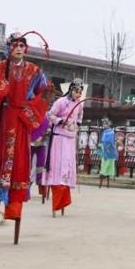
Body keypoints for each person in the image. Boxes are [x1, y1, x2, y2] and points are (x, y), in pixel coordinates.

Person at [0, 33, 51, 244]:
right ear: (9, 48)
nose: (19, 48)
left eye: (22, 45)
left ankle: (14, 211)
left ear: (26, 49)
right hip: (0, 120)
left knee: (18, 165)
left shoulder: (34, 71)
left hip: (19, 121)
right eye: (15, 45)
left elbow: (45, 93)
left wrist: (29, 110)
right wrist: (1, 88)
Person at [42, 78, 84, 217]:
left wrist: (76, 125)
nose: (78, 94)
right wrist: (61, 121)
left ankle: (64, 195)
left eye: (80, 92)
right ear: (71, 90)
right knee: (58, 165)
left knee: (67, 165)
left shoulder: (79, 105)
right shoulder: (61, 102)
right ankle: (55, 197)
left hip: (70, 138)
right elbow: (50, 115)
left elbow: (79, 119)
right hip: (59, 137)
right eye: (76, 91)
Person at [30, 115, 50, 201]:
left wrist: (42, 135)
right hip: (30, 143)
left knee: (41, 166)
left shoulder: (46, 117)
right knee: (28, 165)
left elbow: (48, 129)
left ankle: (42, 185)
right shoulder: (30, 114)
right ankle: (25, 188)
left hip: (42, 143)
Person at [98, 117, 117, 188]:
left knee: (107, 162)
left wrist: (107, 147)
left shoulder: (110, 131)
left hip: (108, 148)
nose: (104, 125)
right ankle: (104, 173)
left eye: (105, 124)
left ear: (108, 124)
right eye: (103, 124)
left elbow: (110, 141)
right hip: (105, 147)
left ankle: (104, 173)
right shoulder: (105, 131)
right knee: (105, 161)